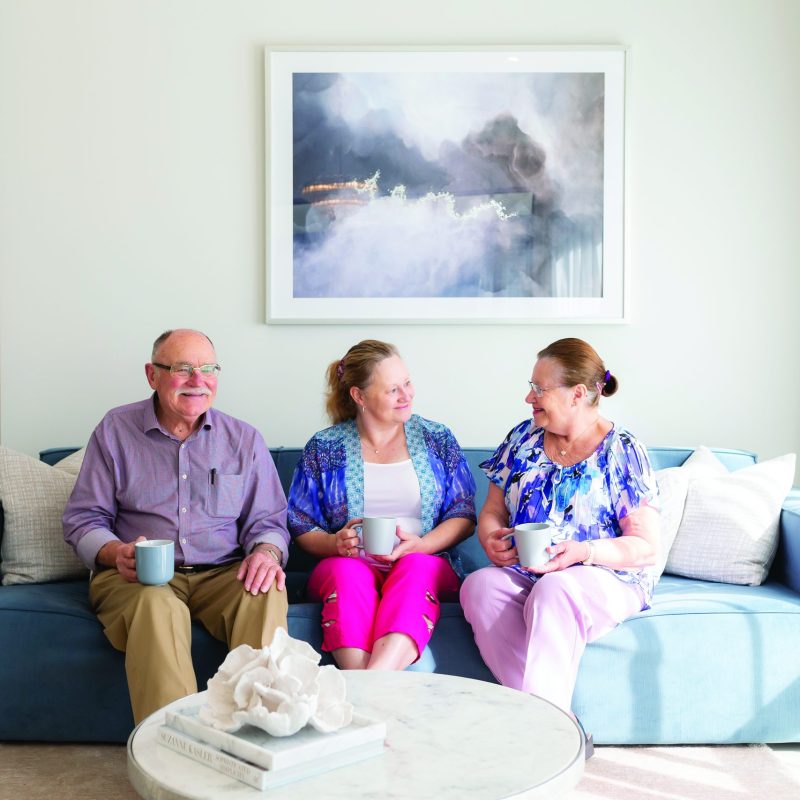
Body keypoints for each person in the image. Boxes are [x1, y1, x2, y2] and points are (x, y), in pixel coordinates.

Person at [63, 329, 290, 724]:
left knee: (265, 589)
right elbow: (84, 518)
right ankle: (176, 745)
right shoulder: (115, 430)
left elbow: (268, 521)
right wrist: (116, 553)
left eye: (208, 369)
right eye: (183, 369)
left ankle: (261, 732)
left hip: (222, 574)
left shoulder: (243, 439)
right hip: (137, 577)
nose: (197, 380)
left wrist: (267, 553)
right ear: (152, 375)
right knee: (158, 607)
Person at [460, 337, 660, 723]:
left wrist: (584, 552)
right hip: (528, 570)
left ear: (577, 394)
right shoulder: (523, 438)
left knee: (555, 589)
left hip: (606, 575)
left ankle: (539, 730)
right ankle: (559, 723)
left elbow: (645, 546)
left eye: (539, 389)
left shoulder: (621, 449)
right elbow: (492, 512)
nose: (528, 397)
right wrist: (490, 538)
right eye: (531, 386)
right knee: (479, 586)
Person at [287, 339, 476, 671]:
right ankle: (373, 684)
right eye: (392, 390)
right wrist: (334, 543)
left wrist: (422, 545)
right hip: (350, 565)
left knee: (415, 566)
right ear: (359, 396)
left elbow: (463, 513)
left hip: (423, 561)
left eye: (407, 383)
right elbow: (301, 523)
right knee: (346, 572)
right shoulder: (324, 447)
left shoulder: (436, 439)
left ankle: (367, 683)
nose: (406, 395)